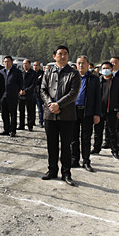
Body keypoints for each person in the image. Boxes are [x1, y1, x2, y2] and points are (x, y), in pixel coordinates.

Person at [40, 45, 80, 186]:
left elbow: (73, 93)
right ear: (54, 56)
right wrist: (51, 104)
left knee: (66, 146)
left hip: (66, 116)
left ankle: (66, 173)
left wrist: (59, 105)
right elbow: (43, 90)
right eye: (59, 54)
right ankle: (52, 170)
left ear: (68, 56)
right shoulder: (48, 72)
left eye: (65, 54)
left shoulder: (73, 73)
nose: (62, 56)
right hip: (50, 115)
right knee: (52, 145)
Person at [71, 55, 101, 172]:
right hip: (73, 111)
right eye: (78, 63)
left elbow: (98, 98)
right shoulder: (73, 77)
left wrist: (97, 113)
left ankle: (86, 161)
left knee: (86, 138)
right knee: (73, 137)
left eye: (83, 63)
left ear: (88, 65)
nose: (80, 65)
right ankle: (74, 159)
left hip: (87, 112)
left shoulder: (94, 79)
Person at [93, 61, 119, 160]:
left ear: (112, 69)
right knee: (97, 131)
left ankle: (115, 150)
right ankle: (96, 148)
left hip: (112, 111)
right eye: (103, 68)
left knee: (112, 132)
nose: (105, 70)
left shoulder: (118, 82)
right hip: (99, 111)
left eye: (107, 68)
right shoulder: (97, 81)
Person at [0, 56, 23, 137]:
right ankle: (6, 129)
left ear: (12, 62)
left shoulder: (17, 72)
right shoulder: (1, 72)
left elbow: (21, 83)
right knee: (4, 114)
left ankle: (12, 130)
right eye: (5, 62)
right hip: (3, 96)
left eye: (8, 61)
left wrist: (19, 92)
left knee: (13, 114)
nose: (6, 63)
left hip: (13, 96)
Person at [18, 59, 38, 131]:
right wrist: (20, 90)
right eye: (23, 64)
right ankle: (21, 125)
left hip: (30, 95)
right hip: (21, 95)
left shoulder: (33, 74)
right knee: (21, 111)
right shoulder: (21, 73)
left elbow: (33, 85)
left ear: (29, 64)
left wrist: (25, 91)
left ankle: (30, 125)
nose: (24, 65)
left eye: (26, 64)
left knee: (30, 111)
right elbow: (19, 83)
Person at [33, 61, 45, 127]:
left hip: (39, 93)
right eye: (34, 65)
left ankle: (41, 121)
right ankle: (32, 121)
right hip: (32, 93)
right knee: (32, 109)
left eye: (36, 65)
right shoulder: (31, 73)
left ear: (39, 66)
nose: (35, 67)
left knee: (40, 109)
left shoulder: (42, 74)